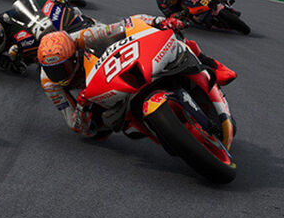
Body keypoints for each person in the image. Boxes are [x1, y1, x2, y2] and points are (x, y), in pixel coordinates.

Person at [37, 15, 236, 137]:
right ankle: (148, 124)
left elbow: (128, 24)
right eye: (53, 69)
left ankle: (214, 68)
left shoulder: (84, 37)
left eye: (62, 67)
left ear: (74, 54)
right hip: (94, 94)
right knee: (99, 128)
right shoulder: (49, 82)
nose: (58, 74)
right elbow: (76, 126)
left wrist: (159, 21)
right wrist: (82, 106)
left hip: (112, 61)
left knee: (179, 39)